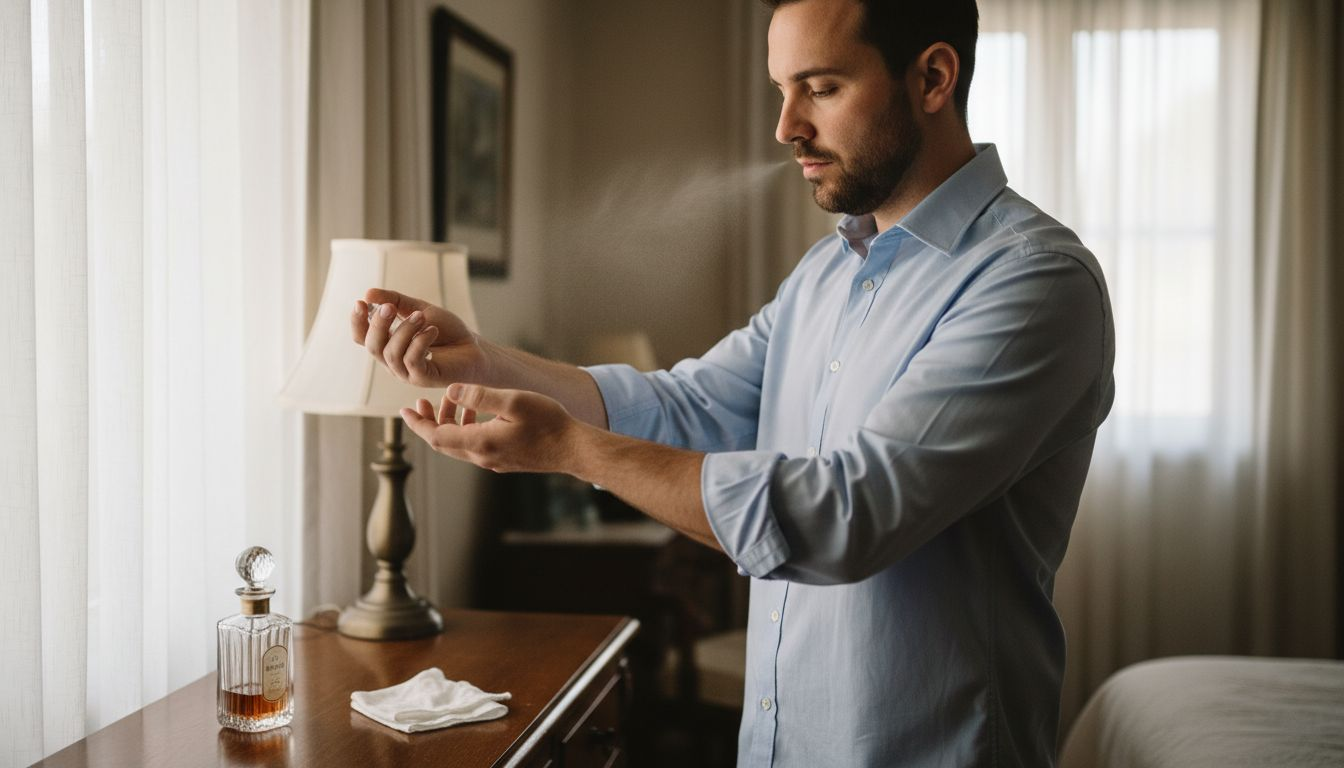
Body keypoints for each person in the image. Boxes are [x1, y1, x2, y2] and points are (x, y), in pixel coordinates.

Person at [351, 0, 1114, 764]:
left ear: (933, 78)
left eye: (820, 88)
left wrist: (572, 451)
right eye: (782, 89)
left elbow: (846, 515)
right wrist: (486, 360)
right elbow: (689, 405)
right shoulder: (825, 274)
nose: (785, 128)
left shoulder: (1033, 281)